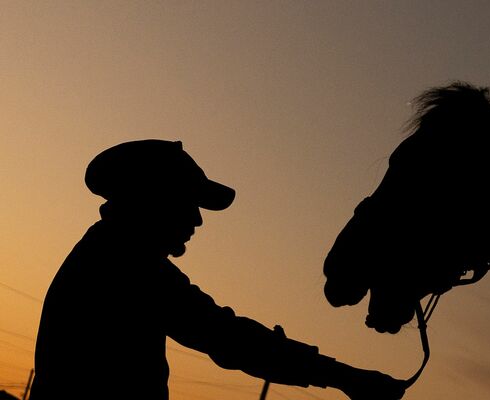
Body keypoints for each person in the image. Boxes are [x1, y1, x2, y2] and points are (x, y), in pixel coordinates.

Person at [30, 139, 406, 400]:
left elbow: (225, 335)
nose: (197, 220)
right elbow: (228, 338)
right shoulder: (125, 266)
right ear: (153, 200)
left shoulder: (112, 255)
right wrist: (346, 377)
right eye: (188, 203)